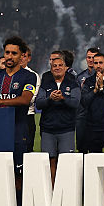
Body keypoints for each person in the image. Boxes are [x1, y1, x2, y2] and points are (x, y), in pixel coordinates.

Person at [0, 36, 39, 185]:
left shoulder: (29, 76)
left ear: (22, 56)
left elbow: (25, 99)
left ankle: (19, 200)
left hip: (18, 129)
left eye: (14, 53)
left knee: (18, 171)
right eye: (7, 52)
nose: (9, 56)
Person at [35, 51, 81, 181]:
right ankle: (51, 189)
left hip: (66, 128)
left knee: (66, 161)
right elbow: (39, 103)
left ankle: (66, 189)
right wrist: (50, 98)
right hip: (48, 129)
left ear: (65, 67)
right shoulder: (46, 81)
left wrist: (62, 98)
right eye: (54, 66)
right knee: (50, 160)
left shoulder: (73, 82)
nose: (57, 68)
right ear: (51, 68)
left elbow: (75, 103)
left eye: (60, 65)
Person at [74, 47, 100, 154]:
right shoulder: (80, 77)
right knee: (82, 149)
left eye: (93, 57)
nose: (91, 60)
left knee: (96, 149)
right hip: (82, 115)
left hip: (97, 116)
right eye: (89, 57)